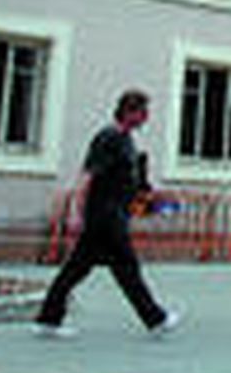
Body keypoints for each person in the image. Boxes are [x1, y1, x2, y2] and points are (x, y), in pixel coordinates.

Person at [34, 89, 181, 338]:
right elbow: (88, 175)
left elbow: (130, 180)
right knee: (127, 268)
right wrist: (77, 213)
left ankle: (48, 319)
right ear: (128, 112)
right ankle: (155, 319)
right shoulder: (108, 138)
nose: (146, 117)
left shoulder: (126, 140)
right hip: (104, 217)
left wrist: (152, 198)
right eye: (142, 112)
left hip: (113, 215)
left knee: (77, 269)